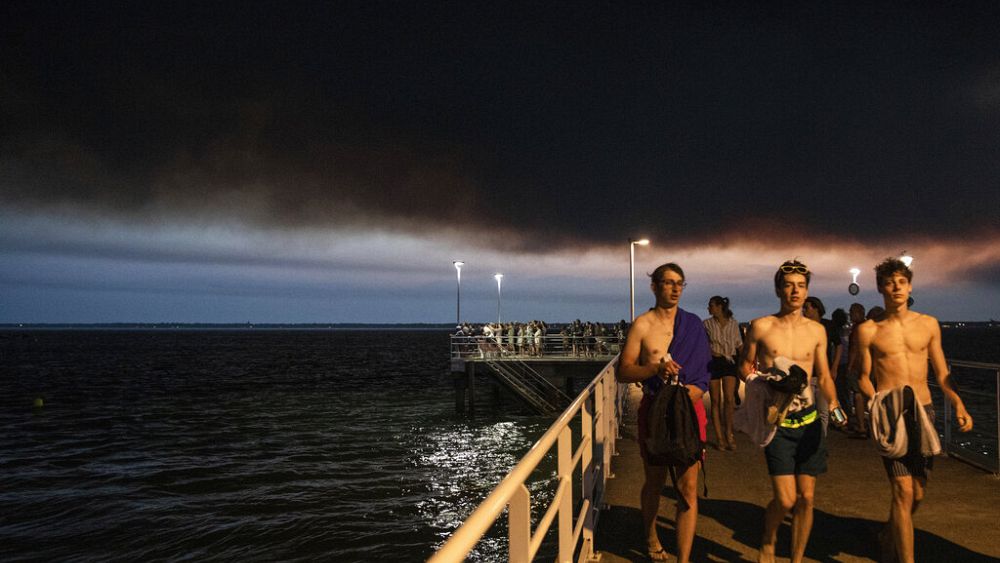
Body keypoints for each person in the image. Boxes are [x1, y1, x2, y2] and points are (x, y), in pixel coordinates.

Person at [855, 257, 973, 563]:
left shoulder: (929, 325)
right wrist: (876, 403)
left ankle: (888, 534)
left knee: (917, 493)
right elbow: (863, 378)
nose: (896, 287)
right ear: (881, 287)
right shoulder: (869, 330)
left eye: (902, 282)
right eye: (890, 282)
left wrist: (958, 402)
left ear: (909, 286)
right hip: (891, 414)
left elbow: (942, 372)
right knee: (903, 492)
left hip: (924, 412)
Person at [739, 260, 844, 563]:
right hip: (779, 422)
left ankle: (797, 559)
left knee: (807, 498)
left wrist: (835, 406)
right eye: (789, 285)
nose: (795, 290)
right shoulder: (762, 326)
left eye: (801, 285)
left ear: (807, 290)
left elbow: (823, 376)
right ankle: (769, 540)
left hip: (810, 421)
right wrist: (757, 381)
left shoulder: (817, 331)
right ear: (778, 289)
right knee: (785, 499)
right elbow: (745, 363)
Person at [616, 263, 711, 563]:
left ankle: (683, 558)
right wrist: (655, 368)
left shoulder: (693, 324)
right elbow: (624, 371)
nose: (674, 289)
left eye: (679, 283)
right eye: (667, 283)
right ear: (654, 286)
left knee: (688, 487)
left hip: (689, 410)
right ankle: (650, 536)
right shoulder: (642, 325)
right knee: (655, 481)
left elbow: (705, 373)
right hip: (656, 410)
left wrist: (693, 393)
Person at [704, 296, 742, 450]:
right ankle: (719, 438)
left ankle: (729, 434)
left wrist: (746, 360)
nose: (709, 308)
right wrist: (710, 351)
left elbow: (739, 344)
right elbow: (702, 343)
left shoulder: (734, 323)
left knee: (729, 399)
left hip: (729, 362)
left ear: (719, 307)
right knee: (715, 401)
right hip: (713, 362)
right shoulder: (706, 324)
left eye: (711, 305)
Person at [802, 296, 833, 433]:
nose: (804, 311)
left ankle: (822, 439)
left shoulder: (827, 326)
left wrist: (835, 366)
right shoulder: (803, 327)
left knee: (823, 410)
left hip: (823, 373)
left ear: (815, 308)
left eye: (807, 307)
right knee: (808, 410)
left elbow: (838, 345)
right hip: (808, 373)